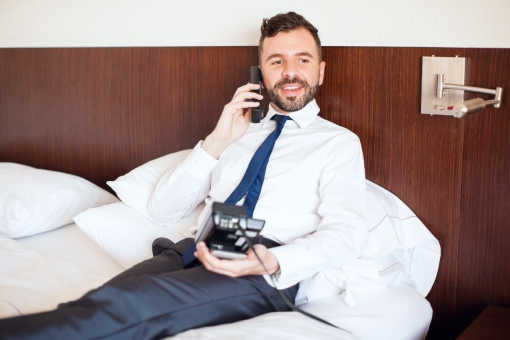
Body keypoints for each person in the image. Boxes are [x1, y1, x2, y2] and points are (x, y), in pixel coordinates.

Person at [0, 12, 369, 339]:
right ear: (260, 73)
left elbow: (348, 233)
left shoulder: (338, 143)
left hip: (264, 265)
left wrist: (274, 262)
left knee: (129, 307)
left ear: (320, 70)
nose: (289, 71)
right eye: (277, 61)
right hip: (195, 248)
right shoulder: (235, 132)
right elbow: (163, 211)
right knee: (98, 302)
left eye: (302, 59)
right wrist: (217, 141)